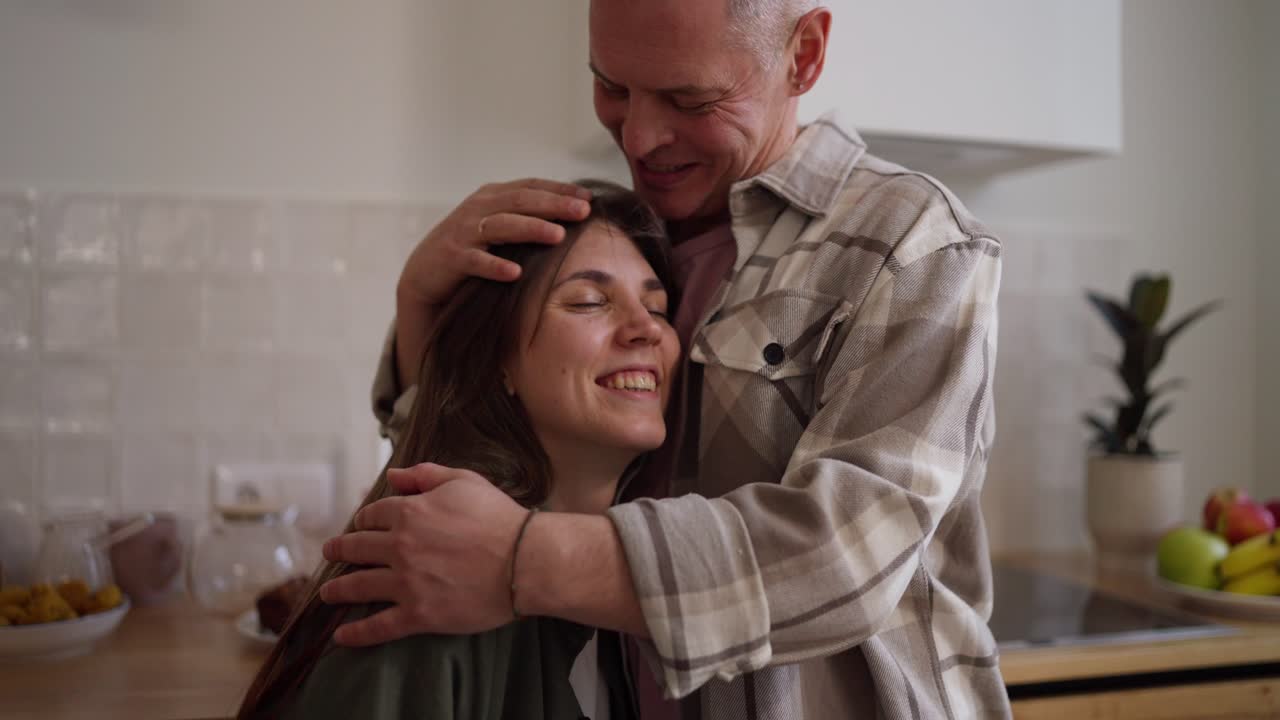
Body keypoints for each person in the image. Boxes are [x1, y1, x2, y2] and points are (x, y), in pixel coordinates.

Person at [321, 0, 1013, 717]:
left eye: (690, 100)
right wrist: (419, 308)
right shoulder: (621, 230)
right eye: (611, 86)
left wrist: (526, 559)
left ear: (803, 55)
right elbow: (492, 456)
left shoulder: (913, 242)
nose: (640, 137)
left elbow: (851, 553)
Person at [237, 181, 680, 719]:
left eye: (658, 308)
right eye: (589, 301)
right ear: (495, 360)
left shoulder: (616, 607)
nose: (645, 329)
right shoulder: (429, 593)